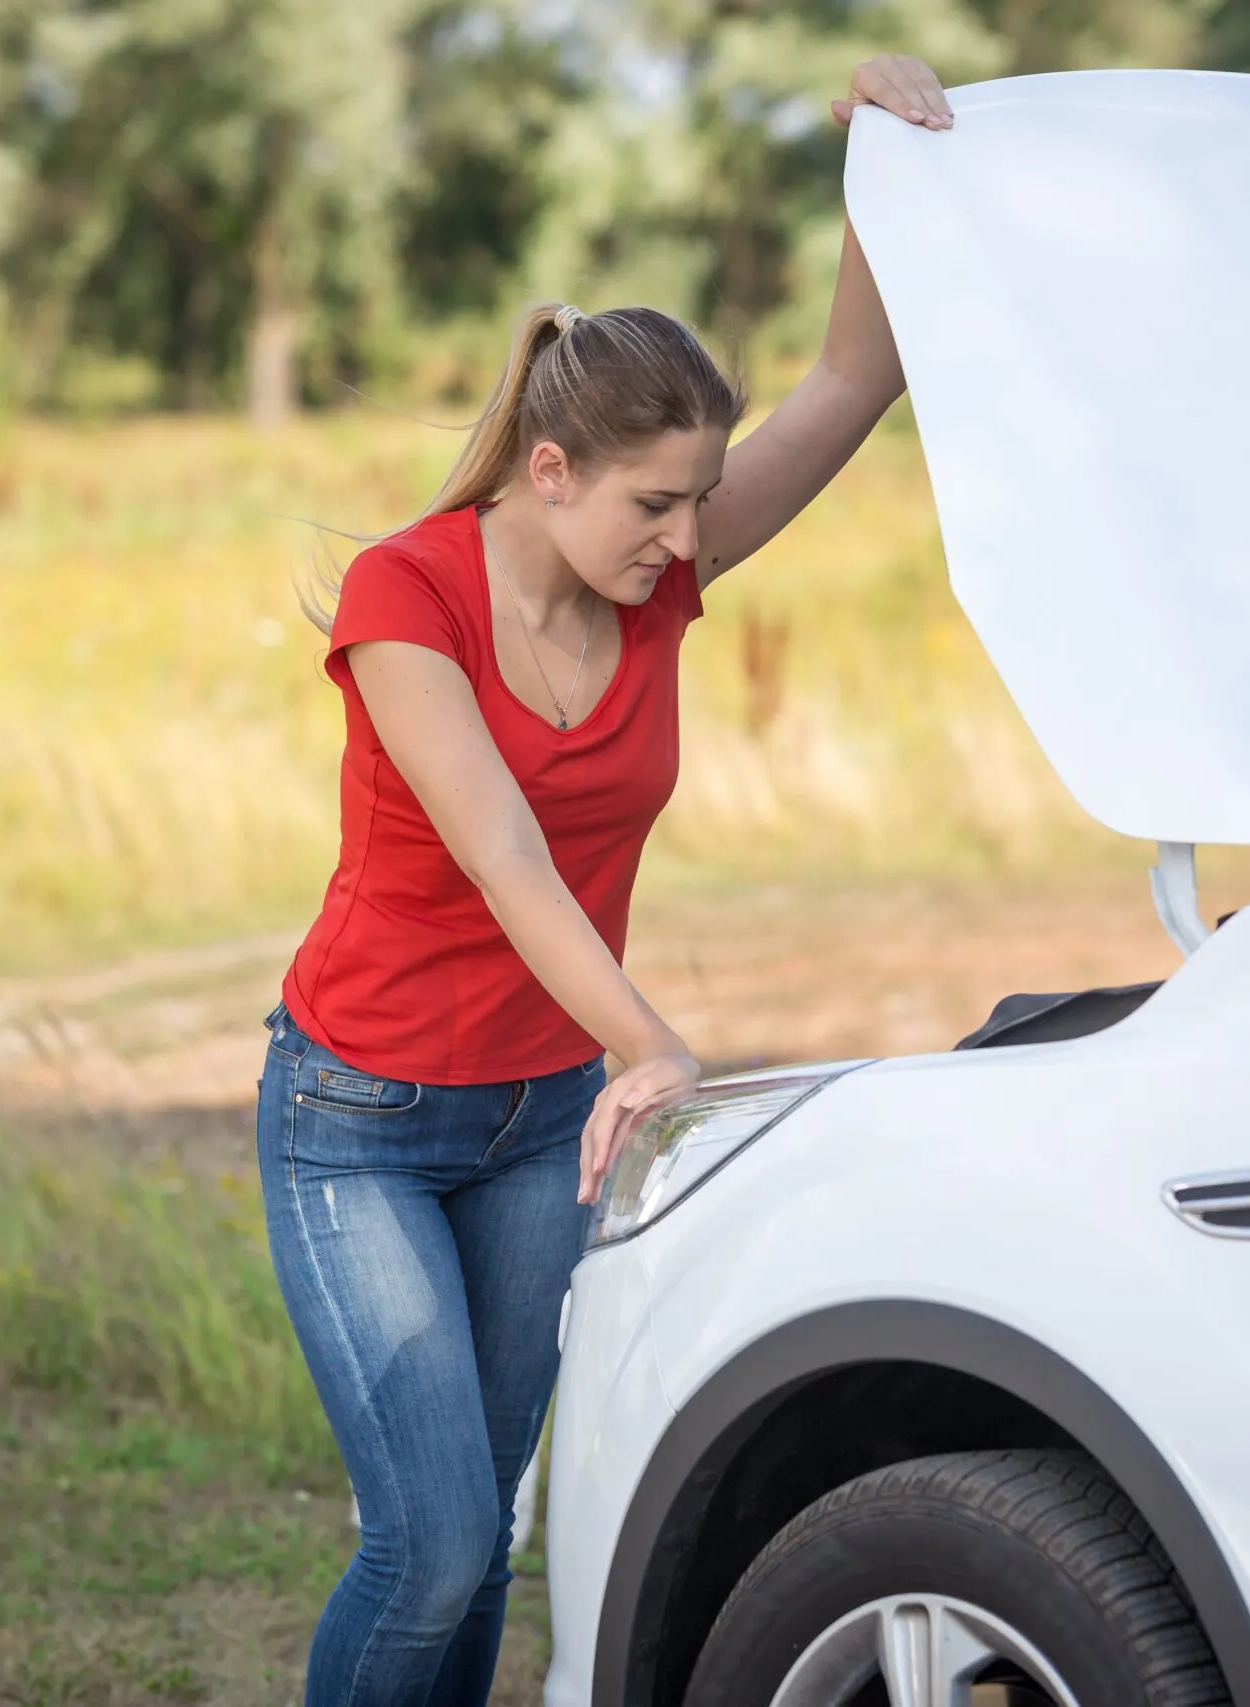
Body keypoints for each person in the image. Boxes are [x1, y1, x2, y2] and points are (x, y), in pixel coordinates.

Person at [257, 52, 956, 1707]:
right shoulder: (403, 594)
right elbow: (503, 851)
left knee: (484, 1533)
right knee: (423, 1545)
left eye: (702, 500)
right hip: (359, 1114)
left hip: (533, 1128)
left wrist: (888, 158)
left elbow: (855, 380)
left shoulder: (654, 565)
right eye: (658, 501)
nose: (686, 537)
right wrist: (652, 1039)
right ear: (550, 470)